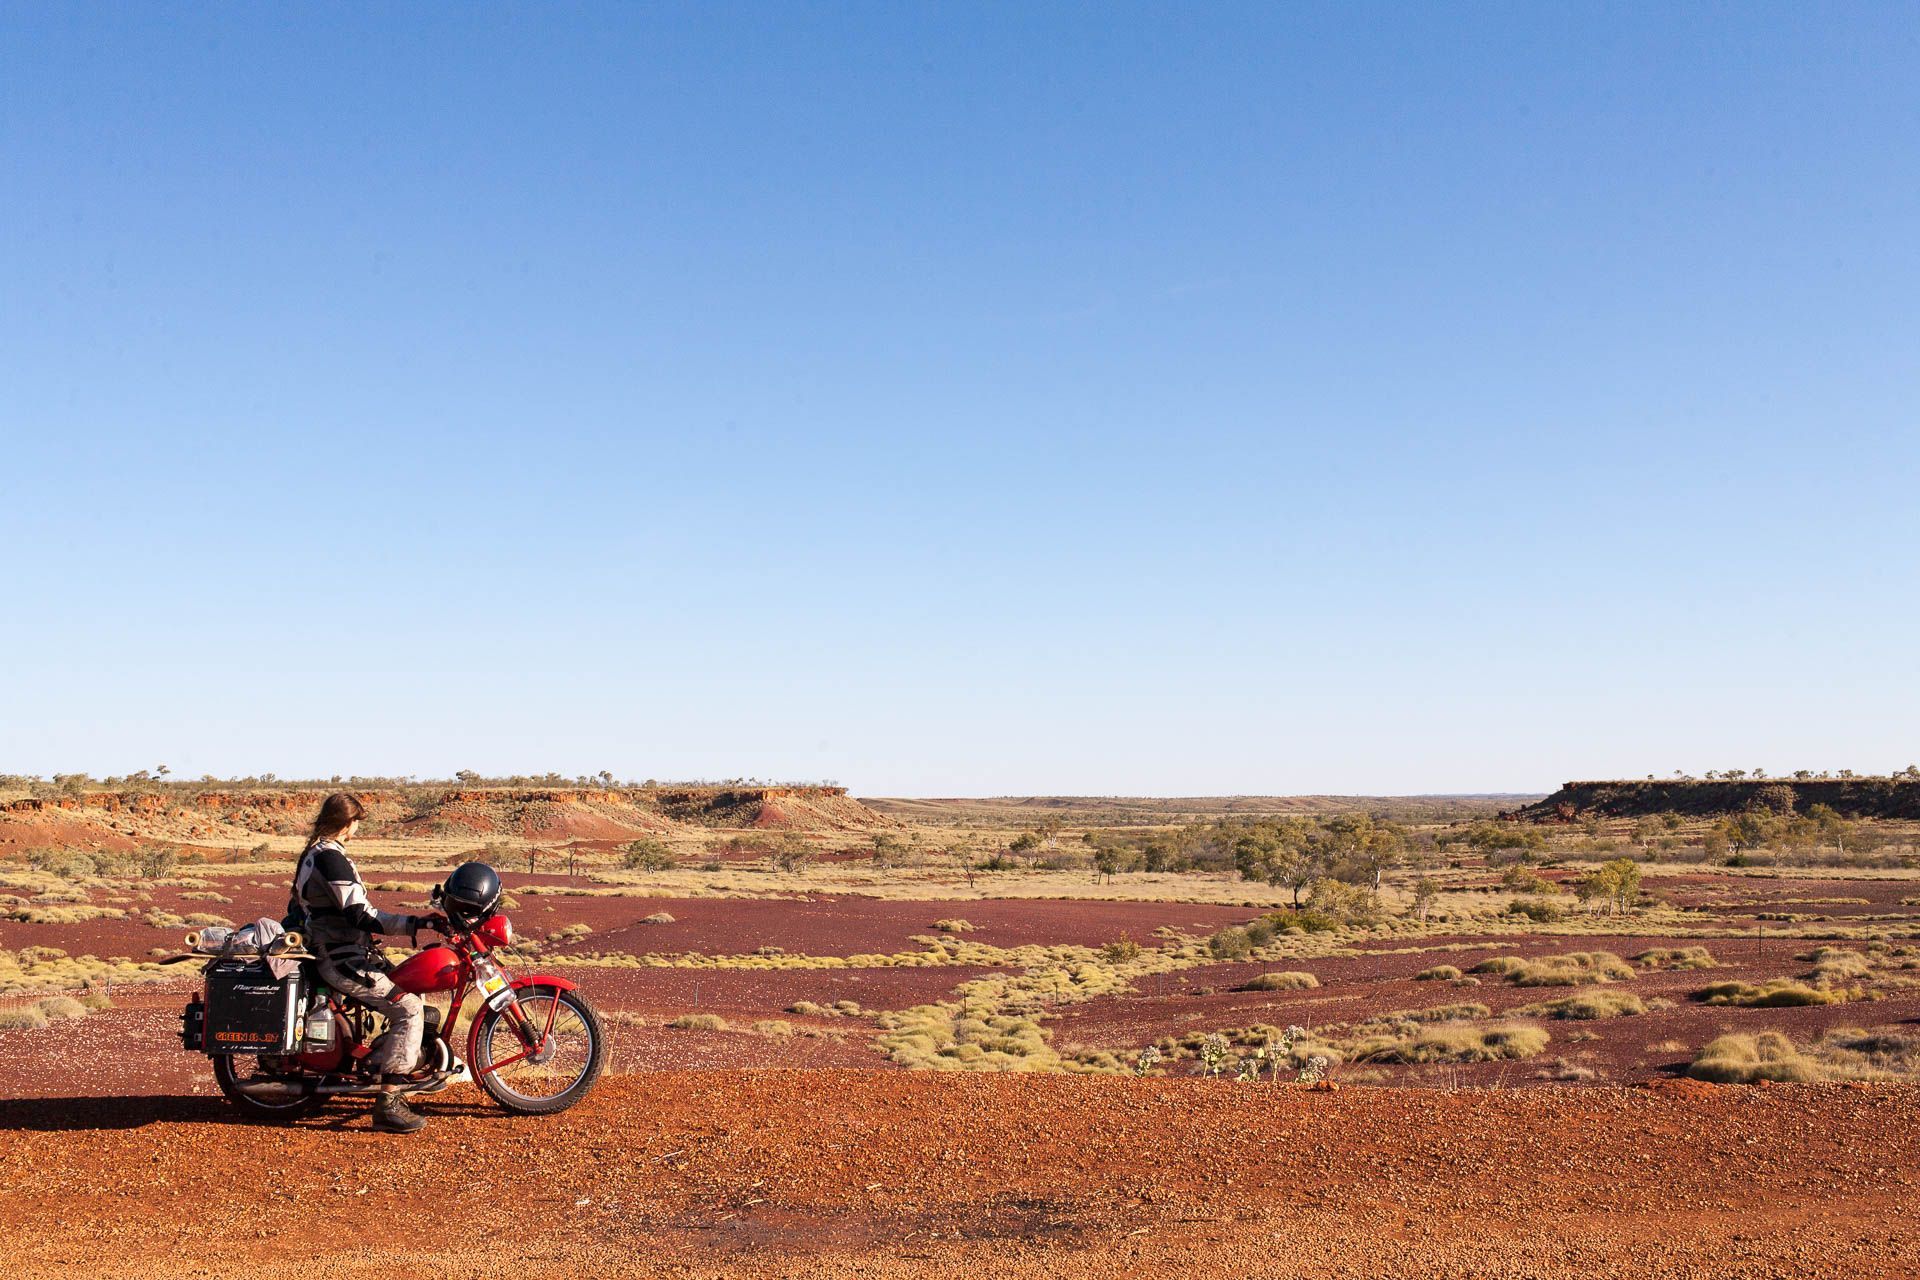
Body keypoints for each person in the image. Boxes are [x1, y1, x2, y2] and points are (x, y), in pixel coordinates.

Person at [287, 792, 439, 1134]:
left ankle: (386, 1060)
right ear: (347, 822)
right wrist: (415, 923)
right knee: (409, 1008)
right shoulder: (329, 857)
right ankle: (389, 1103)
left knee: (411, 989)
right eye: (356, 821)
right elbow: (360, 913)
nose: (357, 827)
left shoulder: (318, 853)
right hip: (340, 956)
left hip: (348, 951)